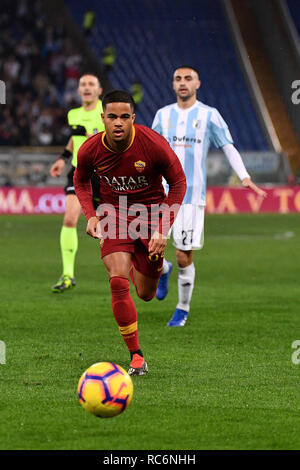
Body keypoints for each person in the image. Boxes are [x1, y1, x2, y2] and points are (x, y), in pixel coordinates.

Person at [74, 90, 186, 375]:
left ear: (133, 118)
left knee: (145, 294)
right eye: (112, 117)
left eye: (125, 116)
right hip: (114, 216)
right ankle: (136, 356)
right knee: (117, 281)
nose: (118, 123)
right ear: (103, 119)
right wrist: (90, 215)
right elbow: (81, 180)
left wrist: (163, 228)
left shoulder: (152, 144)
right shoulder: (90, 149)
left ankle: (162, 269)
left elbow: (179, 183)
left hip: (150, 218)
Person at [152, 65, 267, 327]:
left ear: (197, 84)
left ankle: (182, 308)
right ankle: (164, 269)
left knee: (184, 256)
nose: (183, 83)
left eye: (188, 78)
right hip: (160, 193)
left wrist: (244, 175)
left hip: (191, 196)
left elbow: (227, 146)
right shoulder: (162, 115)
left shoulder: (209, 115)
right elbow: (150, 151)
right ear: (172, 85)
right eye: (178, 79)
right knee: (148, 249)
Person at [50, 73, 105, 292]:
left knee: (109, 228)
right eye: (83, 84)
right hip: (79, 171)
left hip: (104, 173)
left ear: (99, 90)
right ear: (79, 90)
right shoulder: (73, 113)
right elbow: (74, 138)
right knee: (70, 219)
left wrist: (91, 132)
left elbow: (111, 137)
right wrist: (62, 159)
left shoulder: (106, 112)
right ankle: (67, 274)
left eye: (92, 84)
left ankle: (132, 270)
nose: (87, 87)